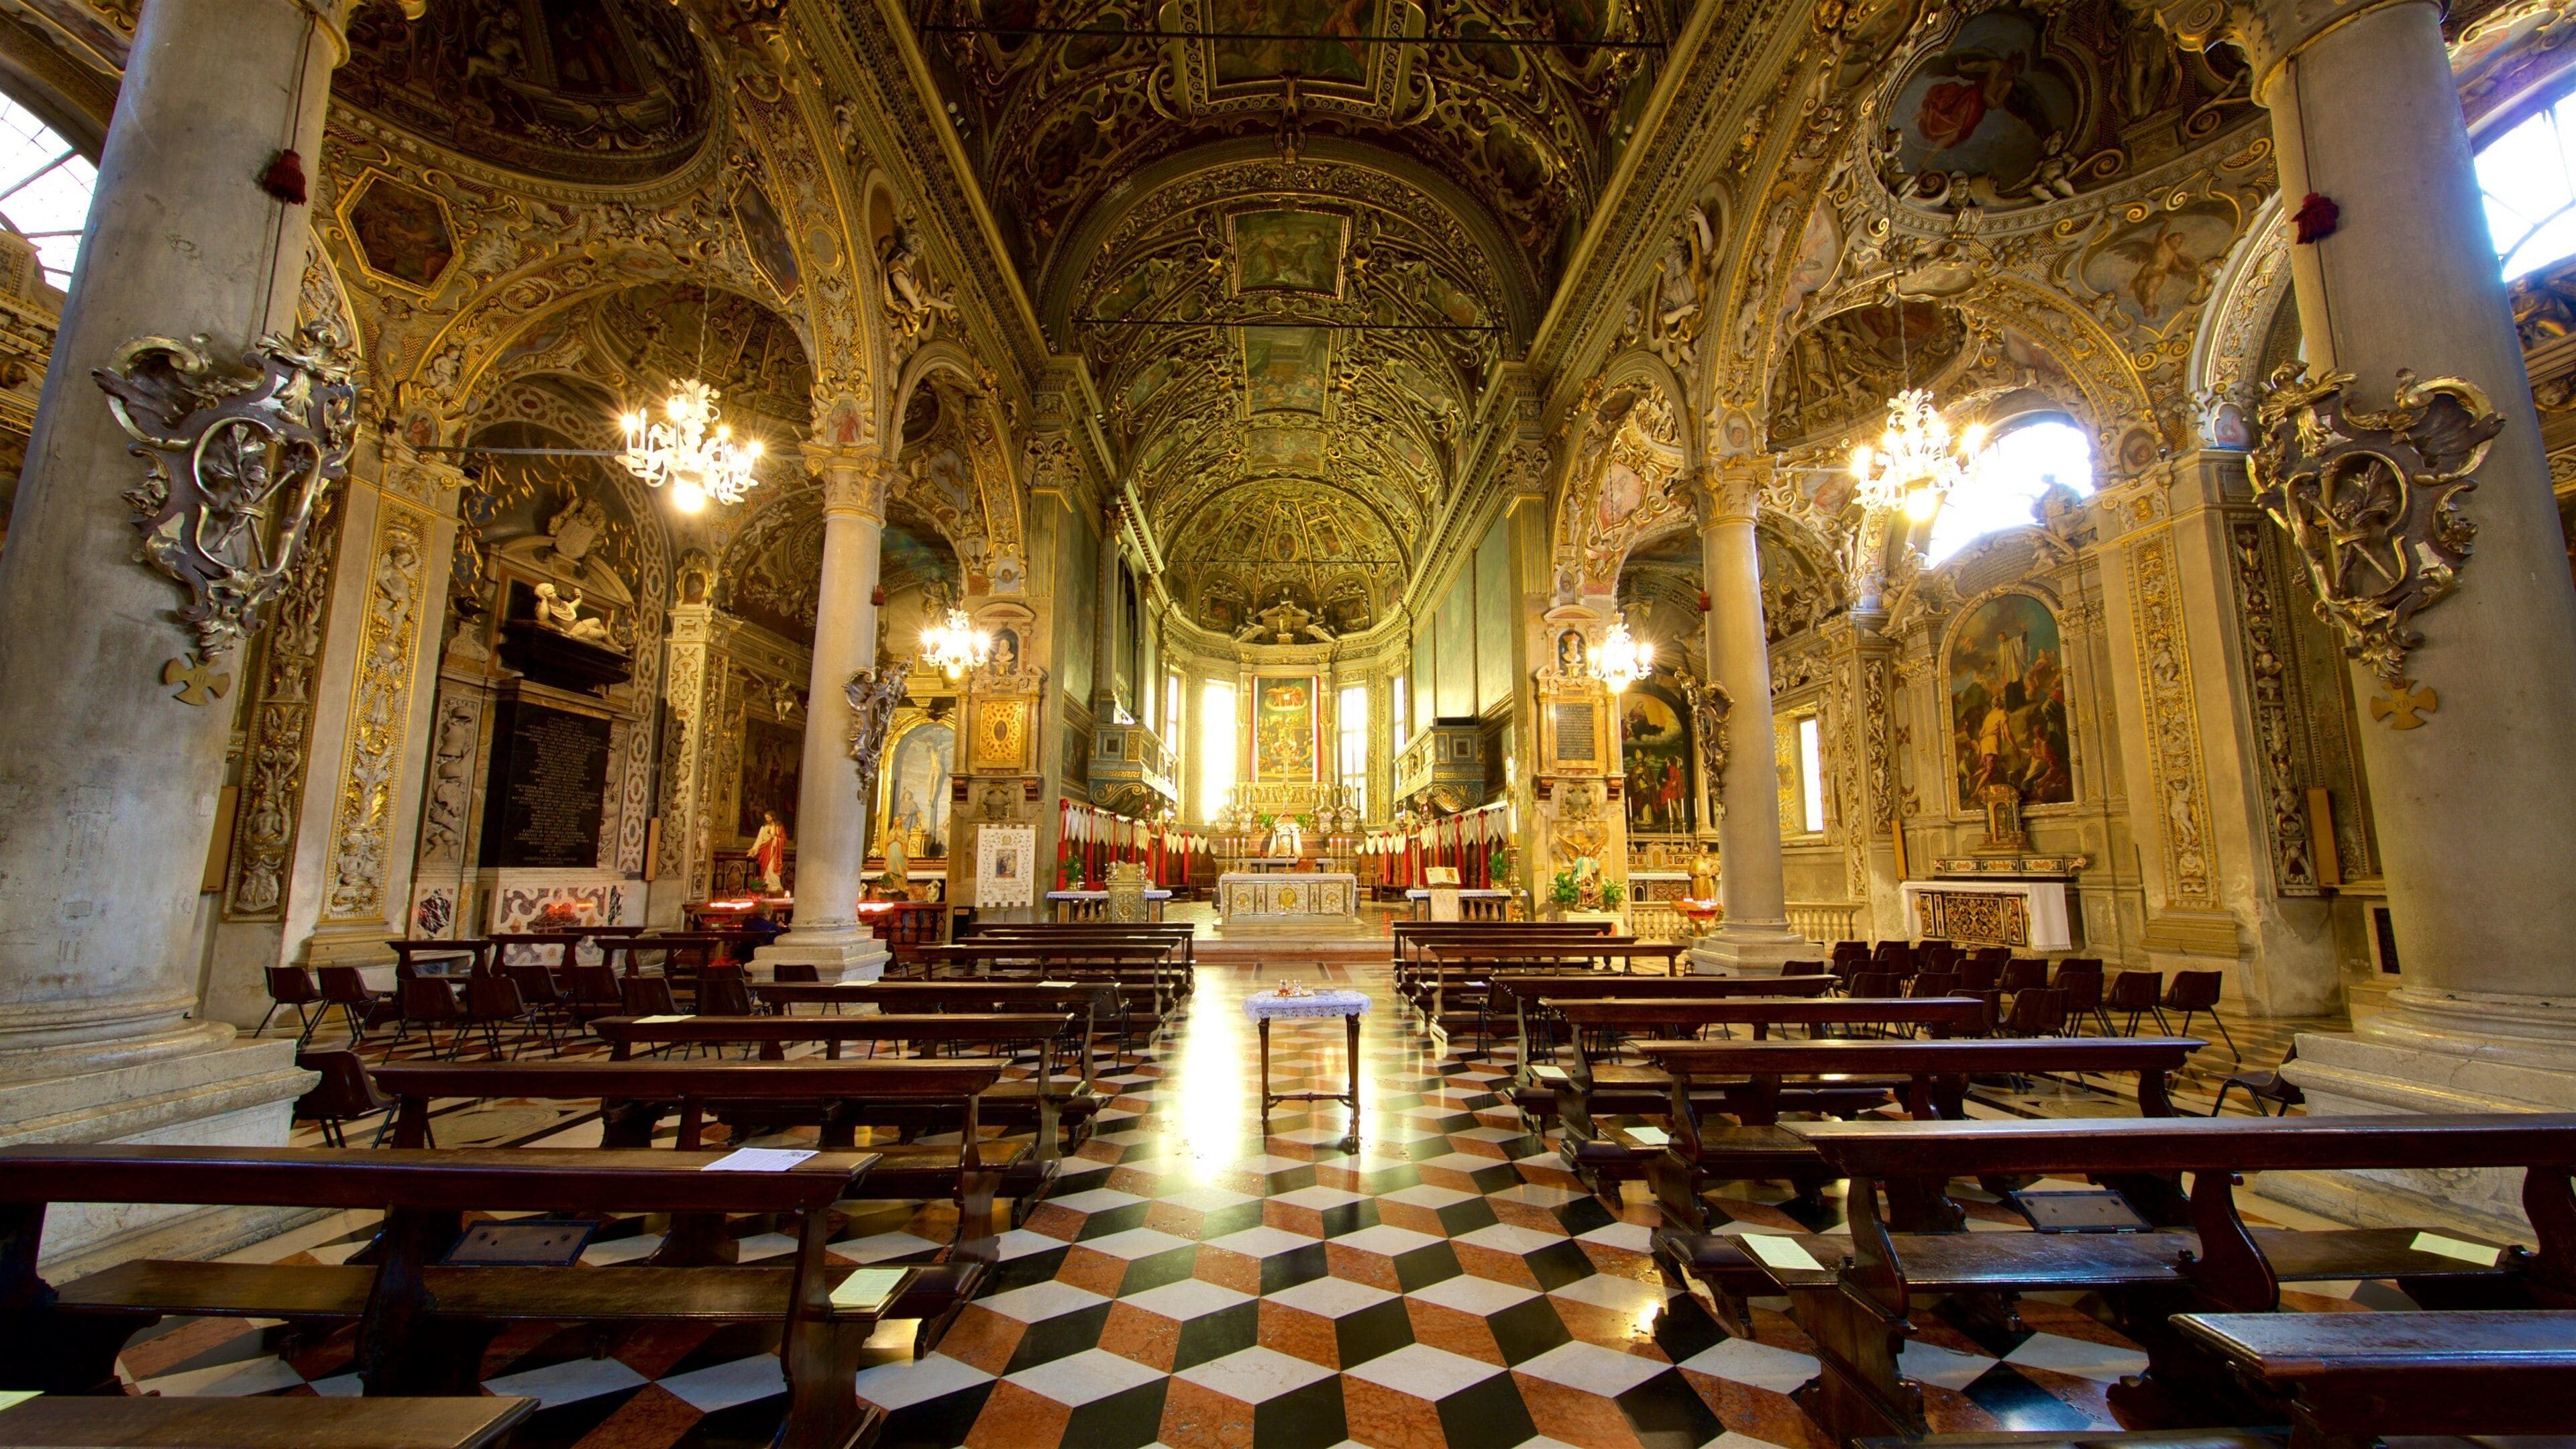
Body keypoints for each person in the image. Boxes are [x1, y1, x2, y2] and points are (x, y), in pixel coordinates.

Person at [749, 811, 789, 894]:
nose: (767, 819)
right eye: (766, 818)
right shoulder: (763, 828)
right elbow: (759, 840)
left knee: (772, 867)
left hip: (774, 852)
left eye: (768, 817)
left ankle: (775, 886)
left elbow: (784, 839)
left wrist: (775, 838)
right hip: (765, 851)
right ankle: (767, 886)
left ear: (773, 817)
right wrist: (753, 849)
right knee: (766, 868)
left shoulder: (779, 827)